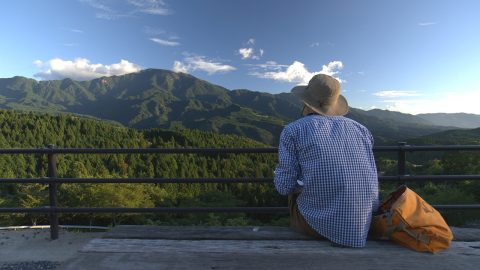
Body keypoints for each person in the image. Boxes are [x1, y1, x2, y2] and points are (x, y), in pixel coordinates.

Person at [274, 73, 379, 248]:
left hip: (318, 227)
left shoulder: (293, 131)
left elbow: (283, 187)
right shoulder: (362, 130)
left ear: (306, 102)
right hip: (365, 222)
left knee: (291, 187)